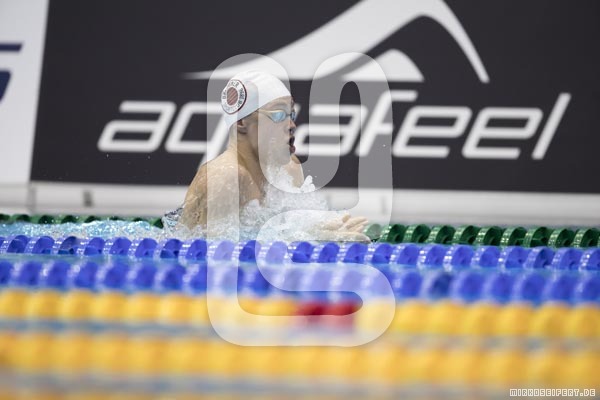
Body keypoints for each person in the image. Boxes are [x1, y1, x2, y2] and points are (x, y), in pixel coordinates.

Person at [177, 70, 369, 241]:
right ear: (242, 122)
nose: (292, 125)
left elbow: (289, 228)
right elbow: (216, 257)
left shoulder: (289, 169)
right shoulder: (224, 177)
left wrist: (319, 231)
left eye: (291, 115)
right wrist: (309, 238)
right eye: (278, 115)